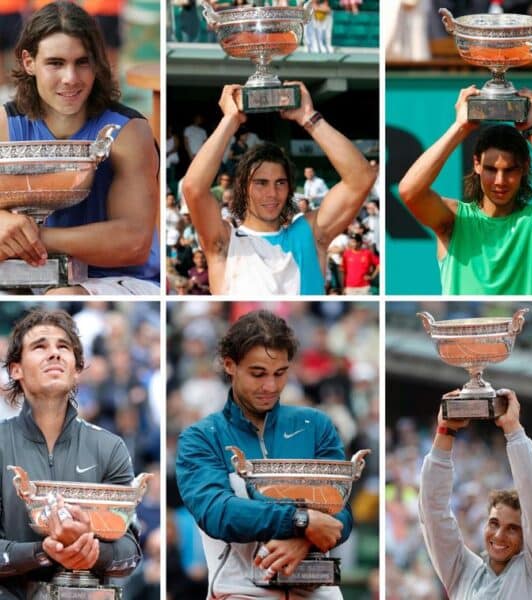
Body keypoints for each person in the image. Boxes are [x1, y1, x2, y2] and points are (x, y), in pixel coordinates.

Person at [175, 310, 353, 600]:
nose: (270, 386)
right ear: (230, 365)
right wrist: (301, 522)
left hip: (320, 593)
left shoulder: (316, 425)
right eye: (258, 374)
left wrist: (303, 543)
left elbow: (341, 512)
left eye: (280, 373)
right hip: (240, 594)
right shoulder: (201, 437)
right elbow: (218, 513)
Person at [0, 1, 159, 294]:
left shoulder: (128, 131)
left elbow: (133, 242)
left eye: (82, 62)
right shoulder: (6, 123)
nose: (70, 78)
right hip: (24, 271)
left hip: (114, 278)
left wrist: (31, 236)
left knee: (62, 295)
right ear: (28, 62)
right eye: (56, 63)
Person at [180, 83, 375, 295]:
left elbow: (361, 179)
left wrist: (309, 118)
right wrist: (230, 120)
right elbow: (193, 188)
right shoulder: (225, 242)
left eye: (280, 183)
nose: (272, 193)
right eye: (261, 183)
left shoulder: (308, 235)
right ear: (243, 188)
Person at [0, 308, 142, 599]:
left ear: (77, 368)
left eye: (63, 347)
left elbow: (130, 551)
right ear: (16, 369)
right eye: (40, 346)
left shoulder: (110, 447)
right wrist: (44, 552)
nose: (54, 353)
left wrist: (93, 553)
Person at [398, 86, 532, 295]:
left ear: (525, 167)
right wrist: (460, 127)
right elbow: (409, 191)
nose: (500, 181)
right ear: (477, 164)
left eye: (509, 170)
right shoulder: (453, 219)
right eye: (491, 169)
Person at [418, 389, 532, 599]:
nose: (499, 535)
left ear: (526, 536)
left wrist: (513, 429)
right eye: (494, 523)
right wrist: (445, 431)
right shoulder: (462, 571)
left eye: (512, 528)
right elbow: (432, 512)